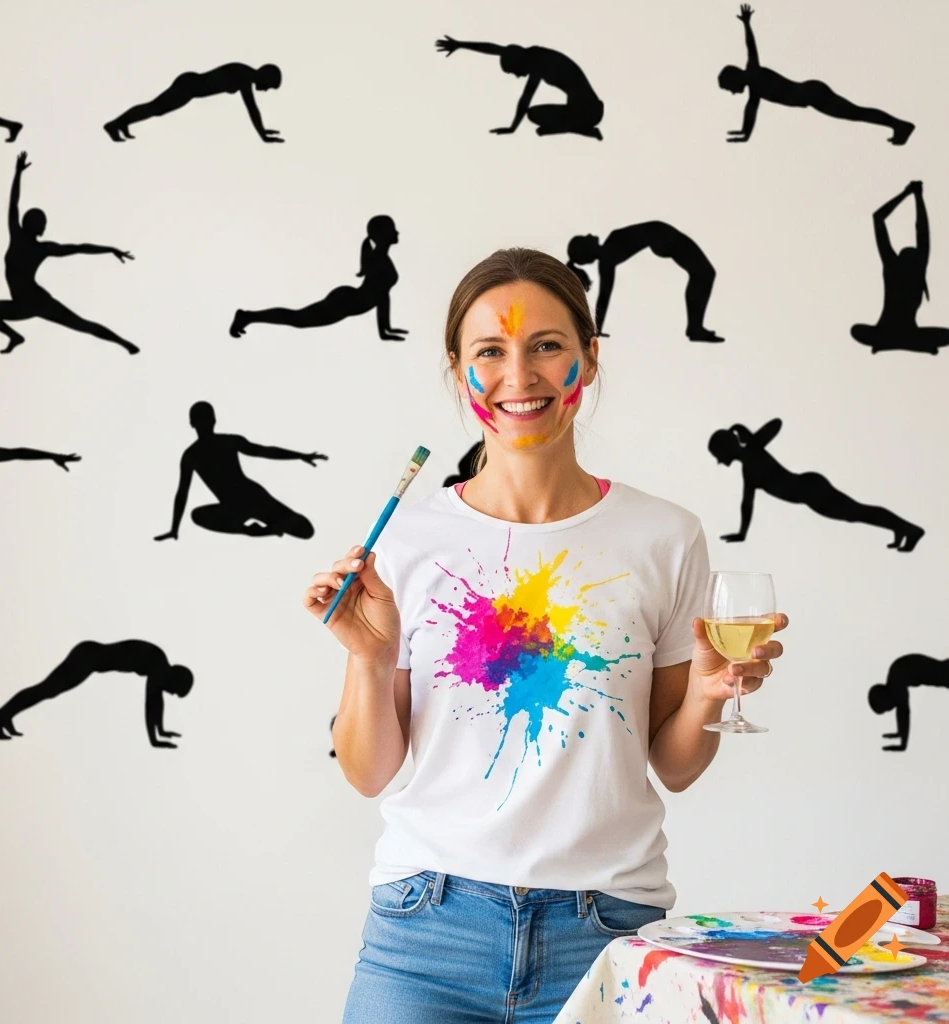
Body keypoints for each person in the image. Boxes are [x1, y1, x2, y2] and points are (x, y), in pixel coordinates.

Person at [304, 248, 789, 1022]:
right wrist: (370, 658)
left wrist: (705, 694)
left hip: (605, 933)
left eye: (546, 346)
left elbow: (675, 766)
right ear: (458, 369)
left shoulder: (665, 536)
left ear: (588, 358)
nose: (519, 375)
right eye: (490, 351)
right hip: (426, 935)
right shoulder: (406, 541)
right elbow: (369, 774)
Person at [0, 152, 138, 355]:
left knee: (81, 324)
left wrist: (110, 249)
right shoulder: (22, 238)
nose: (43, 226)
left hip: (37, 301)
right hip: (21, 304)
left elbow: (78, 247)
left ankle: (123, 343)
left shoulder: (38, 247)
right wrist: (18, 173)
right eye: (41, 223)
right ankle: (15, 337)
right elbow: (13, 204)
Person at [709, 419, 924, 551]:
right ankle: (901, 528)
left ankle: (909, 530)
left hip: (811, 490)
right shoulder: (749, 466)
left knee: (857, 513)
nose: (719, 461)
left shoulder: (752, 454)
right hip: (810, 489)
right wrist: (742, 533)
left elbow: (776, 424)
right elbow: (746, 504)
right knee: (857, 513)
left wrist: (746, 434)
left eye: (718, 455)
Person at [718, 5, 913, 145]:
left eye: (729, 88)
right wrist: (745, 132)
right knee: (855, 113)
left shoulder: (754, 76)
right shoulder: (754, 87)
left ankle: (899, 125)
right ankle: (898, 125)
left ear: (733, 78)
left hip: (813, 94)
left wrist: (747, 24)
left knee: (856, 113)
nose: (733, 93)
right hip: (812, 93)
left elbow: (750, 47)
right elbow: (750, 111)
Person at [154, 401, 325, 540]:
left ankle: (259, 529)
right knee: (197, 515)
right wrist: (174, 528)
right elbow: (182, 493)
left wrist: (300, 455)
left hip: (253, 499)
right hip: (234, 508)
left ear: (194, 423)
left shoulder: (221, 444)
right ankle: (253, 530)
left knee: (305, 530)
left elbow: (265, 451)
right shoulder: (193, 455)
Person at [0, 640, 192, 748]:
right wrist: (154, 739)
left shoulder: (159, 662)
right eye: (176, 691)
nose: (172, 694)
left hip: (89, 655)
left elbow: (156, 699)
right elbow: (151, 701)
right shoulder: (159, 665)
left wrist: (160, 731)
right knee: (46, 690)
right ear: (176, 678)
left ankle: (4, 716)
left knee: (46, 691)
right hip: (88, 658)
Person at [229, 216, 407, 341]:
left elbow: (383, 296)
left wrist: (385, 328)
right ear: (384, 234)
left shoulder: (381, 258)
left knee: (298, 318)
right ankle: (247, 316)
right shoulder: (379, 259)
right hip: (346, 303)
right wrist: (384, 330)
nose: (397, 232)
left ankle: (248, 316)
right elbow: (381, 295)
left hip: (348, 300)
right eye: (393, 229)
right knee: (297, 319)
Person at [567, 223, 724, 341]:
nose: (589, 234)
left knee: (703, 274)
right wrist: (597, 329)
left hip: (664, 237)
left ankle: (695, 328)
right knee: (704, 274)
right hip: (665, 238)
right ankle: (695, 328)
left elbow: (604, 296)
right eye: (585, 238)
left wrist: (598, 329)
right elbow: (604, 296)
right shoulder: (608, 256)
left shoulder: (609, 253)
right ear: (587, 250)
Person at [435, 35, 603, 139]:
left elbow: (525, 98)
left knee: (539, 125)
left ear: (518, 63)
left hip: (589, 112)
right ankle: (580, 128)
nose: (517, 76)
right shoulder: (528, 54)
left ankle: (584, 130)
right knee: (535, 115)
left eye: (514, 71)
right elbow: (493, 48)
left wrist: (512, 128)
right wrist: (460, 44)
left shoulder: (538, 63)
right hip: (583, 109)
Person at [851, 181, 949, 355]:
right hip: (898, 330)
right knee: (856, 330)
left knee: (857, 331)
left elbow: (879, 218)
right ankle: (908, 342)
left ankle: (895, 341)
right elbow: (921, 230)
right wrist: (916, 196)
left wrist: (910, 194)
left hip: (897, 331)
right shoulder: (905, 266)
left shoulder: (899, 265)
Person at [104, 62, 283, 143]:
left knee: (155, 109)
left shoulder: (245, 74)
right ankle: (114, 125)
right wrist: (262, 134)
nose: (267, 89)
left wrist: (261, 131)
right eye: (269, 86)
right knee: (154, 108)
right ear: (265, 76)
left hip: (190, 87)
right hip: (189, 87)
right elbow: (252, 108)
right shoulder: (244, 76)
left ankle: (122, 123)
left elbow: (252, 108)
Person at [868, 655, 948, 752]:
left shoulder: (896, 679)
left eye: (886, 709)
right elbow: (901, 709)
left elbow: (903, 711)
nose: (889, 710)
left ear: (885, 699)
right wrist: (900, 733)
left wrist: (903, 744)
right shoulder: (894, 677)